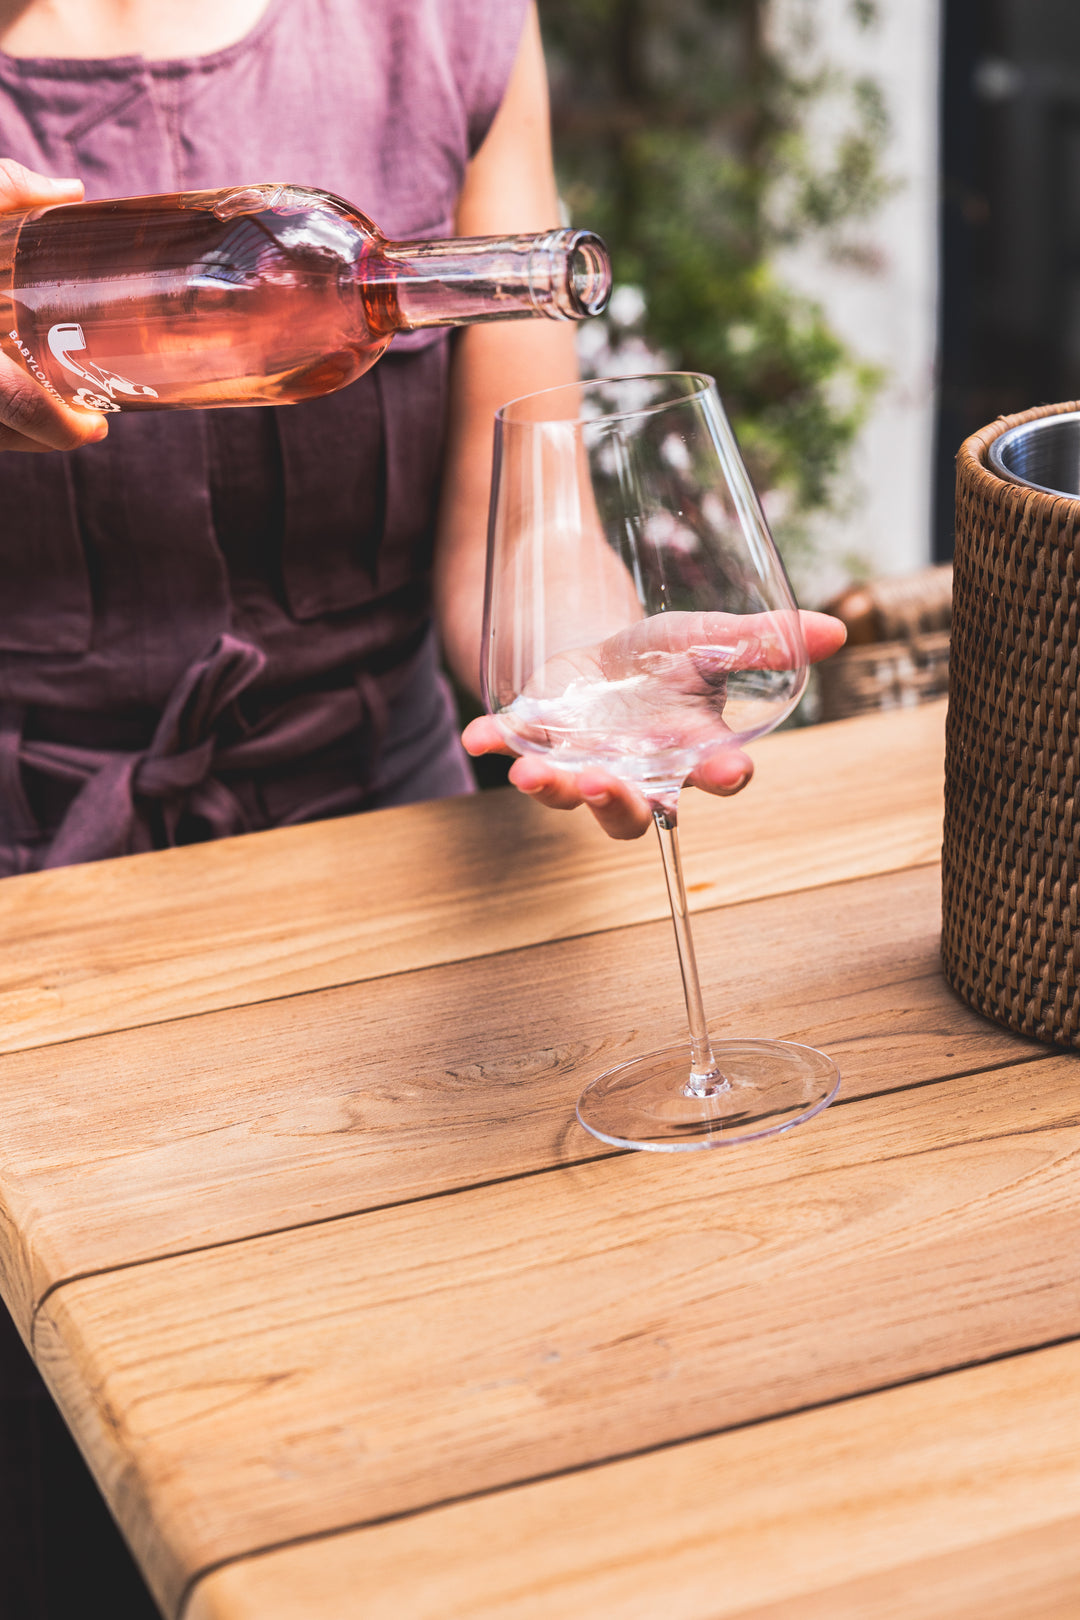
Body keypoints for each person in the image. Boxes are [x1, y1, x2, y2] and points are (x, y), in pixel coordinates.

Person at [0, 2, 843, 1610]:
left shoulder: (443, 22)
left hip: (400, 943)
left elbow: (515, 523)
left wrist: (582, 677)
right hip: (32, 937)